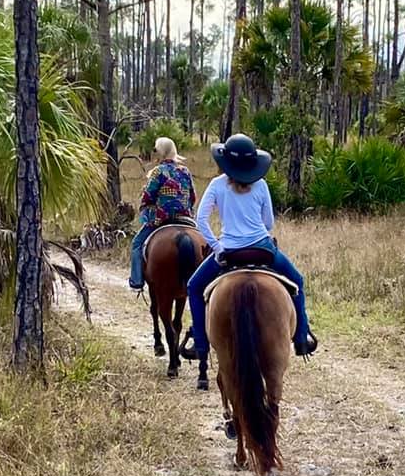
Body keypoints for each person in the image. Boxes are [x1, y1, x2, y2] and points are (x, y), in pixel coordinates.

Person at [183, 133, 318, 359]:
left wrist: (217, 247)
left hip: (229, 252)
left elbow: (201, 220)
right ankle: (301, 337)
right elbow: (269, 223)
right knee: (298, 282)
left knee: (194, 287)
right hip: (263, 249)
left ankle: (200, 343)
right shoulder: (261, 184)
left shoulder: (217, 185)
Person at [128, 136, 196, 292]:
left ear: (161, 152)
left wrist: (144, 207)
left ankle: (136, 282)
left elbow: (148, 195)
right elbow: (192, 197)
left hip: (161, 218)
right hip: (185, 217)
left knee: (137, 244)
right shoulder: (185, 171)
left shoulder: (158, 171)